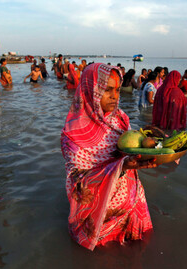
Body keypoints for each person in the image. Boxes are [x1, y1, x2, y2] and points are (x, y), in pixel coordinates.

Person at [61, 63, 157, 251]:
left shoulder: (120, 118)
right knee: (105, 256)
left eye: (118, 90)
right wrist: (121, 167)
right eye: (107, 90)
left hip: (131, 203)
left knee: (138, 253)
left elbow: (133, 148)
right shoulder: (72, 135)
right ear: (90, 90)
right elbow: (78, 182)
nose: (115, 96)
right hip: (101, 216)